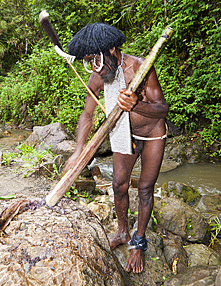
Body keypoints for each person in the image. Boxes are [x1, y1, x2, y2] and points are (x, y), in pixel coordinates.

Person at [62, 22, 169, 274]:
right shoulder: (98, 76)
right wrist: (79, 151)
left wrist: (136, 105)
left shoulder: (139, 66)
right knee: (118, 184)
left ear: (111, 49)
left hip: (152, 132)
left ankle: (139, 241)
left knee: (144, 188)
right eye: (88, 62)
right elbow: (87, 115)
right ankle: (122, 231)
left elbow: (162, 108)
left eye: (95, 59)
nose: (94, 67)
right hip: (124, 135)